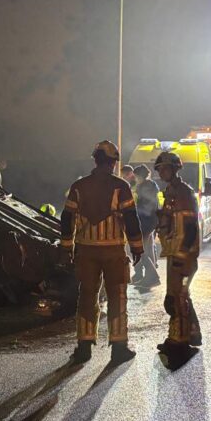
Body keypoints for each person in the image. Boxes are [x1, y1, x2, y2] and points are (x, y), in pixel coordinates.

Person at [60, 141, 143, 363]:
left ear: (95, 160)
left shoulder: (79, 186)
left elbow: (66, 217)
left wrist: (67, 246)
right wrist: (137, 246)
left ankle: (84, 348)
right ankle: (119, 348)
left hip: (86, 251)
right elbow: (131, 218)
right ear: (113, 163)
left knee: (87, 296)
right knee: (117, 297)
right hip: (113, 251)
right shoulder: (121, 186)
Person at [154, 151, 201, 356]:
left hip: (183, 256)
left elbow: (189, 227)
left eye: (165, 168)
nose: (162, 172)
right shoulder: (171, 192)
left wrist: (184, 256)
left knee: (177, 298)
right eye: (160, 169)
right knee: (178, 296)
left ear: (174, 169)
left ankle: (179, 342)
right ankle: (189, 334)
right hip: (174, 253)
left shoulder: (183, 193)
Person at [131, 164, 160, 289]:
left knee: (140, 250)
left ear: (139, 176)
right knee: (147, 249)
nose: (135, 179)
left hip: (145, 222)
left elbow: (144, 207)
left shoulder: (144, 187)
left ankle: (153, 277)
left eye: (136, 176)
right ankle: (148, 277)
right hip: (150, 222)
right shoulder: (151, 185)